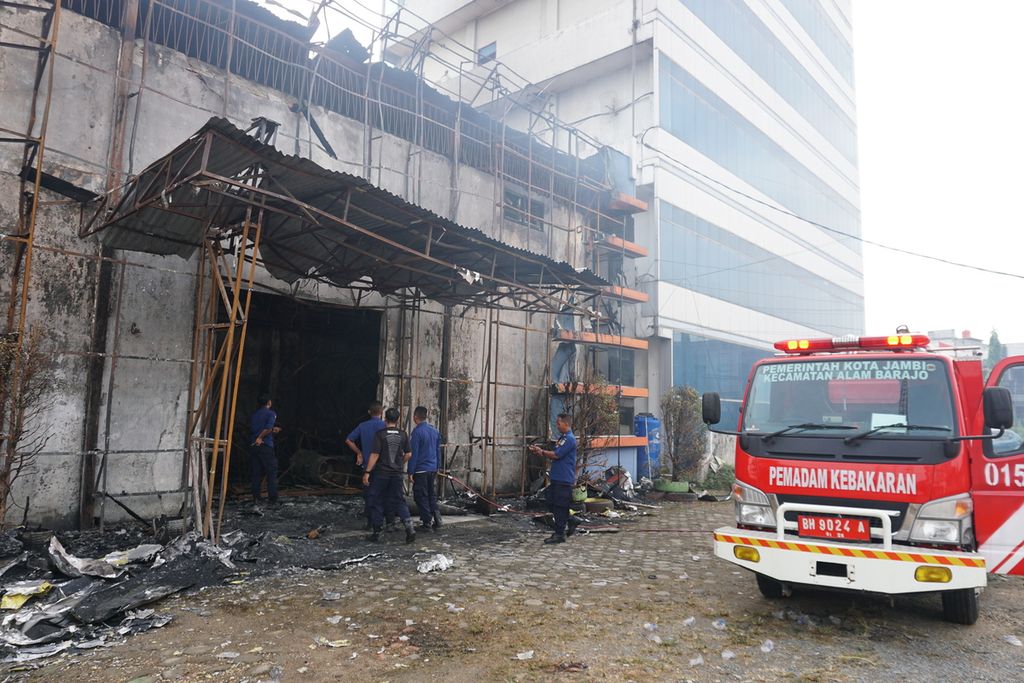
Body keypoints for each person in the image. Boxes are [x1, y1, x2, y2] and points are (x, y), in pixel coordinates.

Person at [363, 408, 416, 543]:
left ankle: (377, 532)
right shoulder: (403, 434)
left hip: (381, 474)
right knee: (399, 501)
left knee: (376, 500)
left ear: (385, 419)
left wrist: (367, 472)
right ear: (397, 420)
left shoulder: (380, 434)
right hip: (397, 474)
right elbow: (409, 454)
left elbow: (375, 455)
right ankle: (409, 527)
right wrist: (399, 463)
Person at [528, 413, 577, 544]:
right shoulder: (563, 438)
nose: (557, 425)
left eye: (559, 423)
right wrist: (540, 451)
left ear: (566, 424)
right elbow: (554, 453)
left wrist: (543, 452)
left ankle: (559, 534)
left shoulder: (570, 439)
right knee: (550, 501)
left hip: (564, 477)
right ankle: (571, 520)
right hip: (557, 476)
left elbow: (556, 455)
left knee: (560, 505)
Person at [346, 402, 387, 528]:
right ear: (381, 412)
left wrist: (359, 452)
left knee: (369, 494)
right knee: (382, 493)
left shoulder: (363, 426)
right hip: (383, 466)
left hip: (367, 466)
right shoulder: (385, 426)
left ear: (369, 412)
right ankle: (382, 522)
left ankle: (370, 522)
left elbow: (348, 440)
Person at [409, 405, 442, 532]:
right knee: (431, 495)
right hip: (432, 468)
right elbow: (438, 450)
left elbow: (414, 454)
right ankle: (437, 517)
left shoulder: (417, 432)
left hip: (421, 469)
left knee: (420, 496)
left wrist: (410, 471)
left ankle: (427, 522)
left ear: (415, 417)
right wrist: (437, 466)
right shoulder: (434, 431)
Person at [250, 394, 280, 507]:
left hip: (253, 445)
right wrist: (261, 437)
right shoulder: (271, 413)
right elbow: (266, 428)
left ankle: (256, 498)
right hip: (265, 445)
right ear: (269, 402)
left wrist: (272, 429)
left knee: (256, 472)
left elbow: (257, 428)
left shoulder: (255, 415)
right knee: (271, 471)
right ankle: (272, 499)